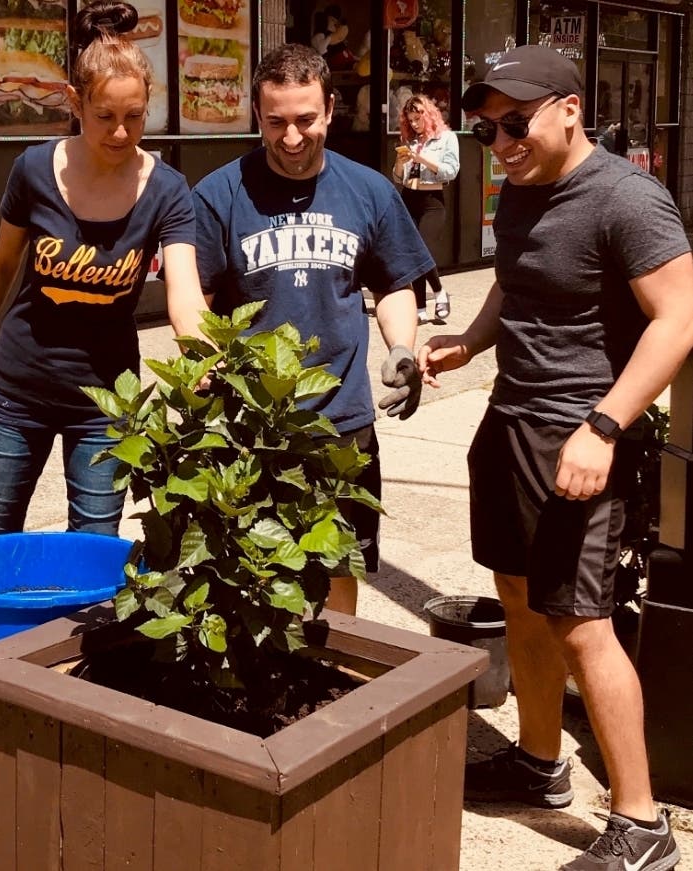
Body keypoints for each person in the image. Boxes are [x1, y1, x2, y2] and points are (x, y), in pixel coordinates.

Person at [420, 45, 692, 871]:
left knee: (583, 624)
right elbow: (514, 278)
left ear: (569, 108)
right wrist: (471, 340)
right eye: (485, 128)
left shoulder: (625, 199)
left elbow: (677, 318)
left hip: (577, 438)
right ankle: (539, 763)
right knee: (521, 600)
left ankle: (641, 824)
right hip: (510, 420)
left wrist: (603, 427)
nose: (498, 141)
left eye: (514, 122)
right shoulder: (523, 186)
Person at [0, 0, 205, 539]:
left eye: (134, 116)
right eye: (105, 116)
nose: (120, 132)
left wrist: (202, 357)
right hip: (18, 391)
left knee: (93, 548)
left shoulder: (167, 191)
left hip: (106, 402)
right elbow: (0, 266)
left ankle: (79, 630)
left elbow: (185, 294)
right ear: (75, 103)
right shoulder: (34, 170)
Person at [192, 43, 433, 616]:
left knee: (338, 566)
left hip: (342, 422)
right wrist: (201, 362)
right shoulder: (219, 194)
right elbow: (195, 302)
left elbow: (395, 282)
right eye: (276, 122)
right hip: (250, 427)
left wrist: (402, 347)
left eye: (305, 119)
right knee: (251, 568)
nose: (292, 137)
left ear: (329, 109)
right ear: (258, 116)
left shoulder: (369, 190)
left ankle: (338, 678)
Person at [391, 93, 459, 324]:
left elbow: (451, 171)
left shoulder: (446, 138)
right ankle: (419, 307)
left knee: (423, 251)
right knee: (412, 252)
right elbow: (398, 178)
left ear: (428, 115)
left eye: (417, 119)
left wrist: (423, 160)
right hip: (409, 196)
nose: (414, 124)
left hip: (432, 199)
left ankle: (440, 294)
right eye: (410, 120)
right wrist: (400, 164)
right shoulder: (409, 140)